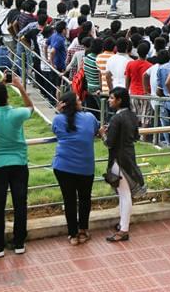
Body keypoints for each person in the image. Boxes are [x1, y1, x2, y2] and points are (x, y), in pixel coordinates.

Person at [0, 77, 34, 258]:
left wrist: (0, 84)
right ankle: (19, 242)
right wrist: (19, 86)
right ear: (8, 97)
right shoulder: (17, 113)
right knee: (20, 203)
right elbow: (30, 108)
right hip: (19, 163)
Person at [52, 91, 99, 246]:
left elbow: (55, 130)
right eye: (79, 99)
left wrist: (57, 111)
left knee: (69, 200)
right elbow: (96, 130)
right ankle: (83, 230)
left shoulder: (58, 119)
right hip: (86, 167)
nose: (81, 101)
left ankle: (73, 235)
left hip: (63, 167)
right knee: (85, 199)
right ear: (75, 104)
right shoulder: (90, 118)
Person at [103, 87, 145, 242]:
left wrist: (103, 134)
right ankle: (122, 224)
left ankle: (124, 229)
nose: (109, 100)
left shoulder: (116, 119)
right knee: (124, 194)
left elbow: (109, 143)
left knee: (124, 195)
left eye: (111, 98)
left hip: (118, 160)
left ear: (119, 100)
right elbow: (135, 136)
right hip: (129, 157)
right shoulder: (132, 115)